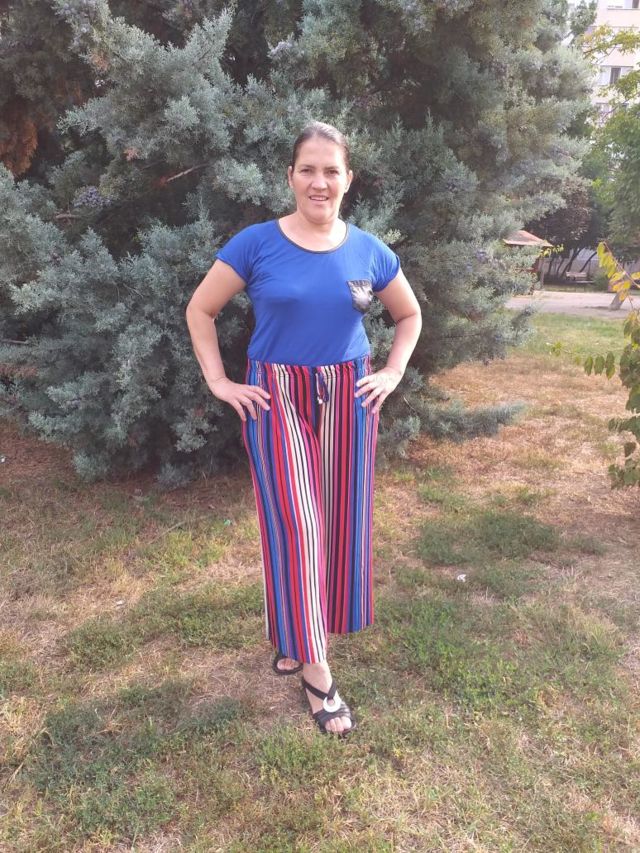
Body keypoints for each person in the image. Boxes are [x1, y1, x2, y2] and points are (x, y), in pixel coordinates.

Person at [185, 121, 422, 736]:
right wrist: (219, 380)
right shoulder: (256, 244)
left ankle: (297, 636)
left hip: (349, 395)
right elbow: (201, 309)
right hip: (278, 397)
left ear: (349, 179)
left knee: (340, 522)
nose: (320, 182)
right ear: (290, 176)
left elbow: (409, 314)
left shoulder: (369, 250)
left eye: (331, 171)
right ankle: (317, 674)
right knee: (298, 525)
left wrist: (392, 371)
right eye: (308, 170)